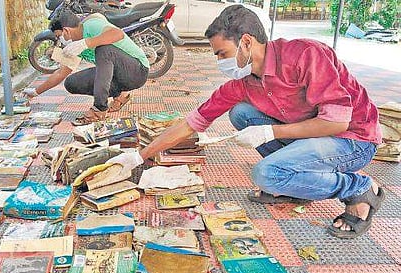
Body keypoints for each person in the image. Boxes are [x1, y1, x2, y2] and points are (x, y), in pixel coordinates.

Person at [107, 5, 385, 239]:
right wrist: (138, 156)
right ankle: (294, 184)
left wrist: (269, 131)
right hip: (312, 136)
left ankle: (359, 190)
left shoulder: (306, 54)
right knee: (241, 113)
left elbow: (335, 123)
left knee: (266, 174)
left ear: (247, 42)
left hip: (352, 139)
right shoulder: (243, 82)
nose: (219, 62)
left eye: (222, 54)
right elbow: (190, 124)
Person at [23, 10, 149, 124]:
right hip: (118, 76)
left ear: (66, 30)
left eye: (59, 36)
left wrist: (86, 43)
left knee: (104, 50)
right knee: (71, 83)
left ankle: (99, 109)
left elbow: (118, 34)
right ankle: (121, 94)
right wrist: (35, 92)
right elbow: (60, 73)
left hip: (137, 71)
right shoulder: (74, 46)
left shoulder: (92, 26)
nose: (60, 41)